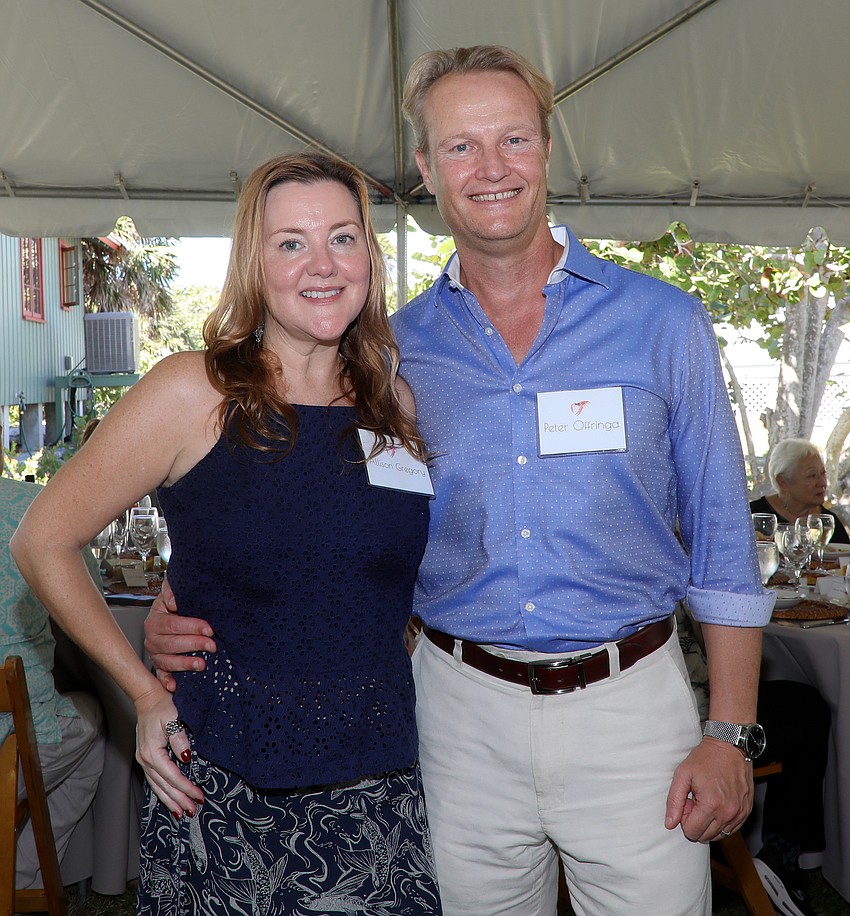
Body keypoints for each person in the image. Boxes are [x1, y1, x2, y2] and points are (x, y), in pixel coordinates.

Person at [145, 47, 774, 915]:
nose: (490, 167)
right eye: (460, 146)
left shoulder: (662, 323)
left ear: (548, 149)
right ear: (427, 169)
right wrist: (181, 602)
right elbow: (312, 517)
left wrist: (730, 733)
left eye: (512, 138)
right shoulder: (387, 356)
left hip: (631, 713)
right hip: (455, 716)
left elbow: (723, 540)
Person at [12, 152, 441, 915]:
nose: (322, 263)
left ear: (368, 258)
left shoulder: (393, 404)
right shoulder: (195, 393)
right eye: (291, 242)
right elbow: (42, 540)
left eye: (343, 238)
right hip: (230, 787)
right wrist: (144, 692)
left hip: (380, 785)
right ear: (254, 263)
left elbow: (378, 577)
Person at [678, 604, 828, 916]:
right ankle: (781, 856)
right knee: (808, 710)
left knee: (799, 703)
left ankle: (781, 854)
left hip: (662, 706)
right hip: (694, 718)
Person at [0, 475, 105, 891]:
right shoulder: (36, 507)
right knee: (95, 723)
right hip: (14, 744)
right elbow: (90, 600)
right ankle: (22, 884)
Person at [750, 438, 849, 542]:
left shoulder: (828, 523)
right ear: (783, 482)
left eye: (823, 473)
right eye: (812, 475)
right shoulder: (752, 517)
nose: (822, 483)